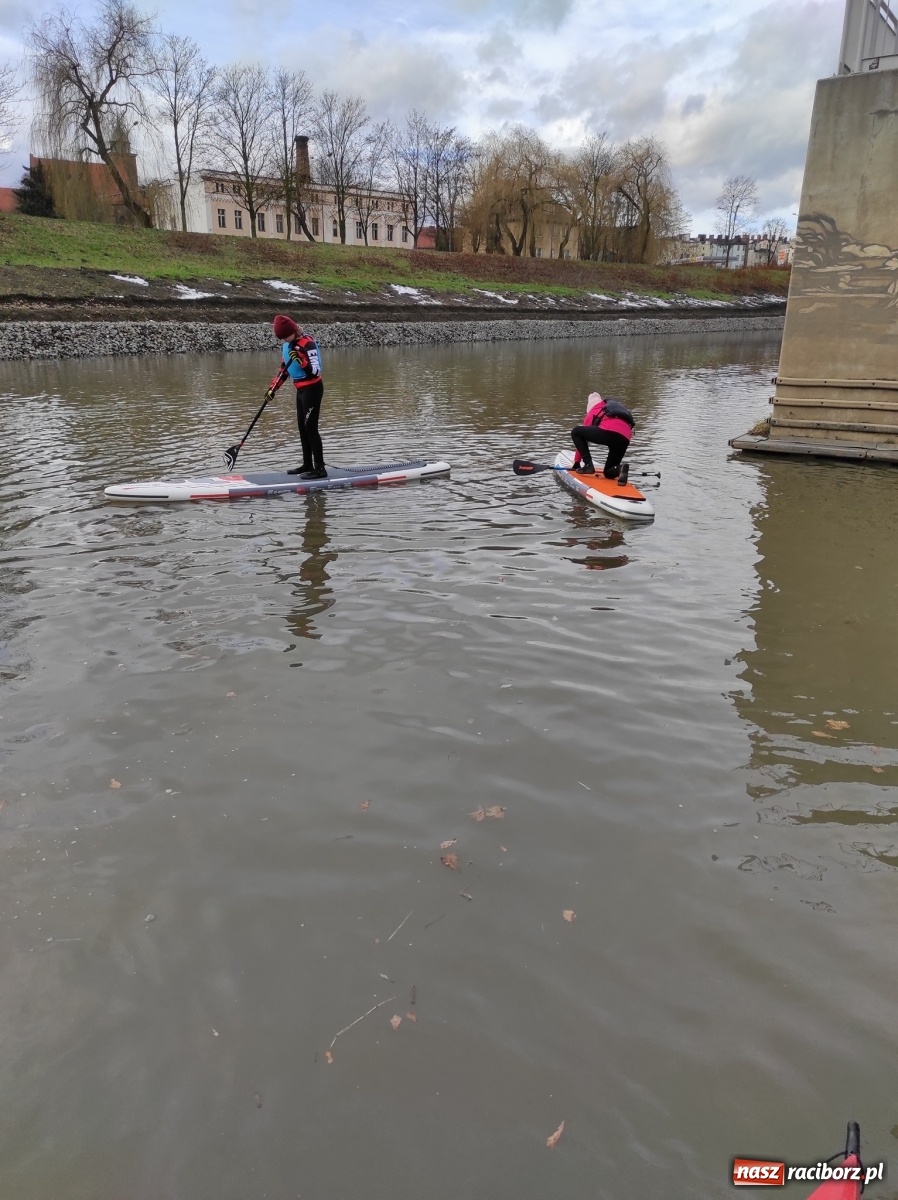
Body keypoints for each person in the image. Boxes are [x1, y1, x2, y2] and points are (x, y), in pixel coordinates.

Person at [266, 314, 326, 478]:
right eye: (281, 337)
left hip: (313, 389)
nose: (284, 340)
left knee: (310, 428)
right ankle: (307, 464)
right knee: (302, 427)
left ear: (293, 330)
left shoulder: (308, 344)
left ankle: (320, 469)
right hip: (300, 391)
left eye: (285, 336)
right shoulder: (286, 346)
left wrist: (302, 362)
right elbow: (284, 370)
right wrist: (273, 389)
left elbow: (316, 371)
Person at [571, 391, 635, 479]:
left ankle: (588, 466)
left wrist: (577, 462)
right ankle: (620, 468)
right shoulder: (608, 407)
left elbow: (581, 439)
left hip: (610, 430)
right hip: (625, 438)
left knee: (575, 432)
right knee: (608, 472)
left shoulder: (593, 412)